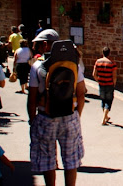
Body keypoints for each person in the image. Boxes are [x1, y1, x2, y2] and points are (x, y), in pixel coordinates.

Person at [27, 29, 85, 186]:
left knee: (47, 160)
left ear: (45, 45)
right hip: (69, 116)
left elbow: (32, 98)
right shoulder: (74, 65)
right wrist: (76, 115)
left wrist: (33, 120)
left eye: (38, 45)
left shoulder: (37, 67)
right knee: (71, 160)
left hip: (46, 117)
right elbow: (81, 94)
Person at [93, 47, 117, 125]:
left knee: (103, 100)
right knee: (109, 101)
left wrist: (98, 80)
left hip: (101, 83)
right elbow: (114, 76)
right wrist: (114, 84)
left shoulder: (98, 62)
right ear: (109, 53)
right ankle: (103, 119)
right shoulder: (112, 63)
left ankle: (106, 116)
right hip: (109, 84)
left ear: (102, 53)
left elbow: (94, 74)